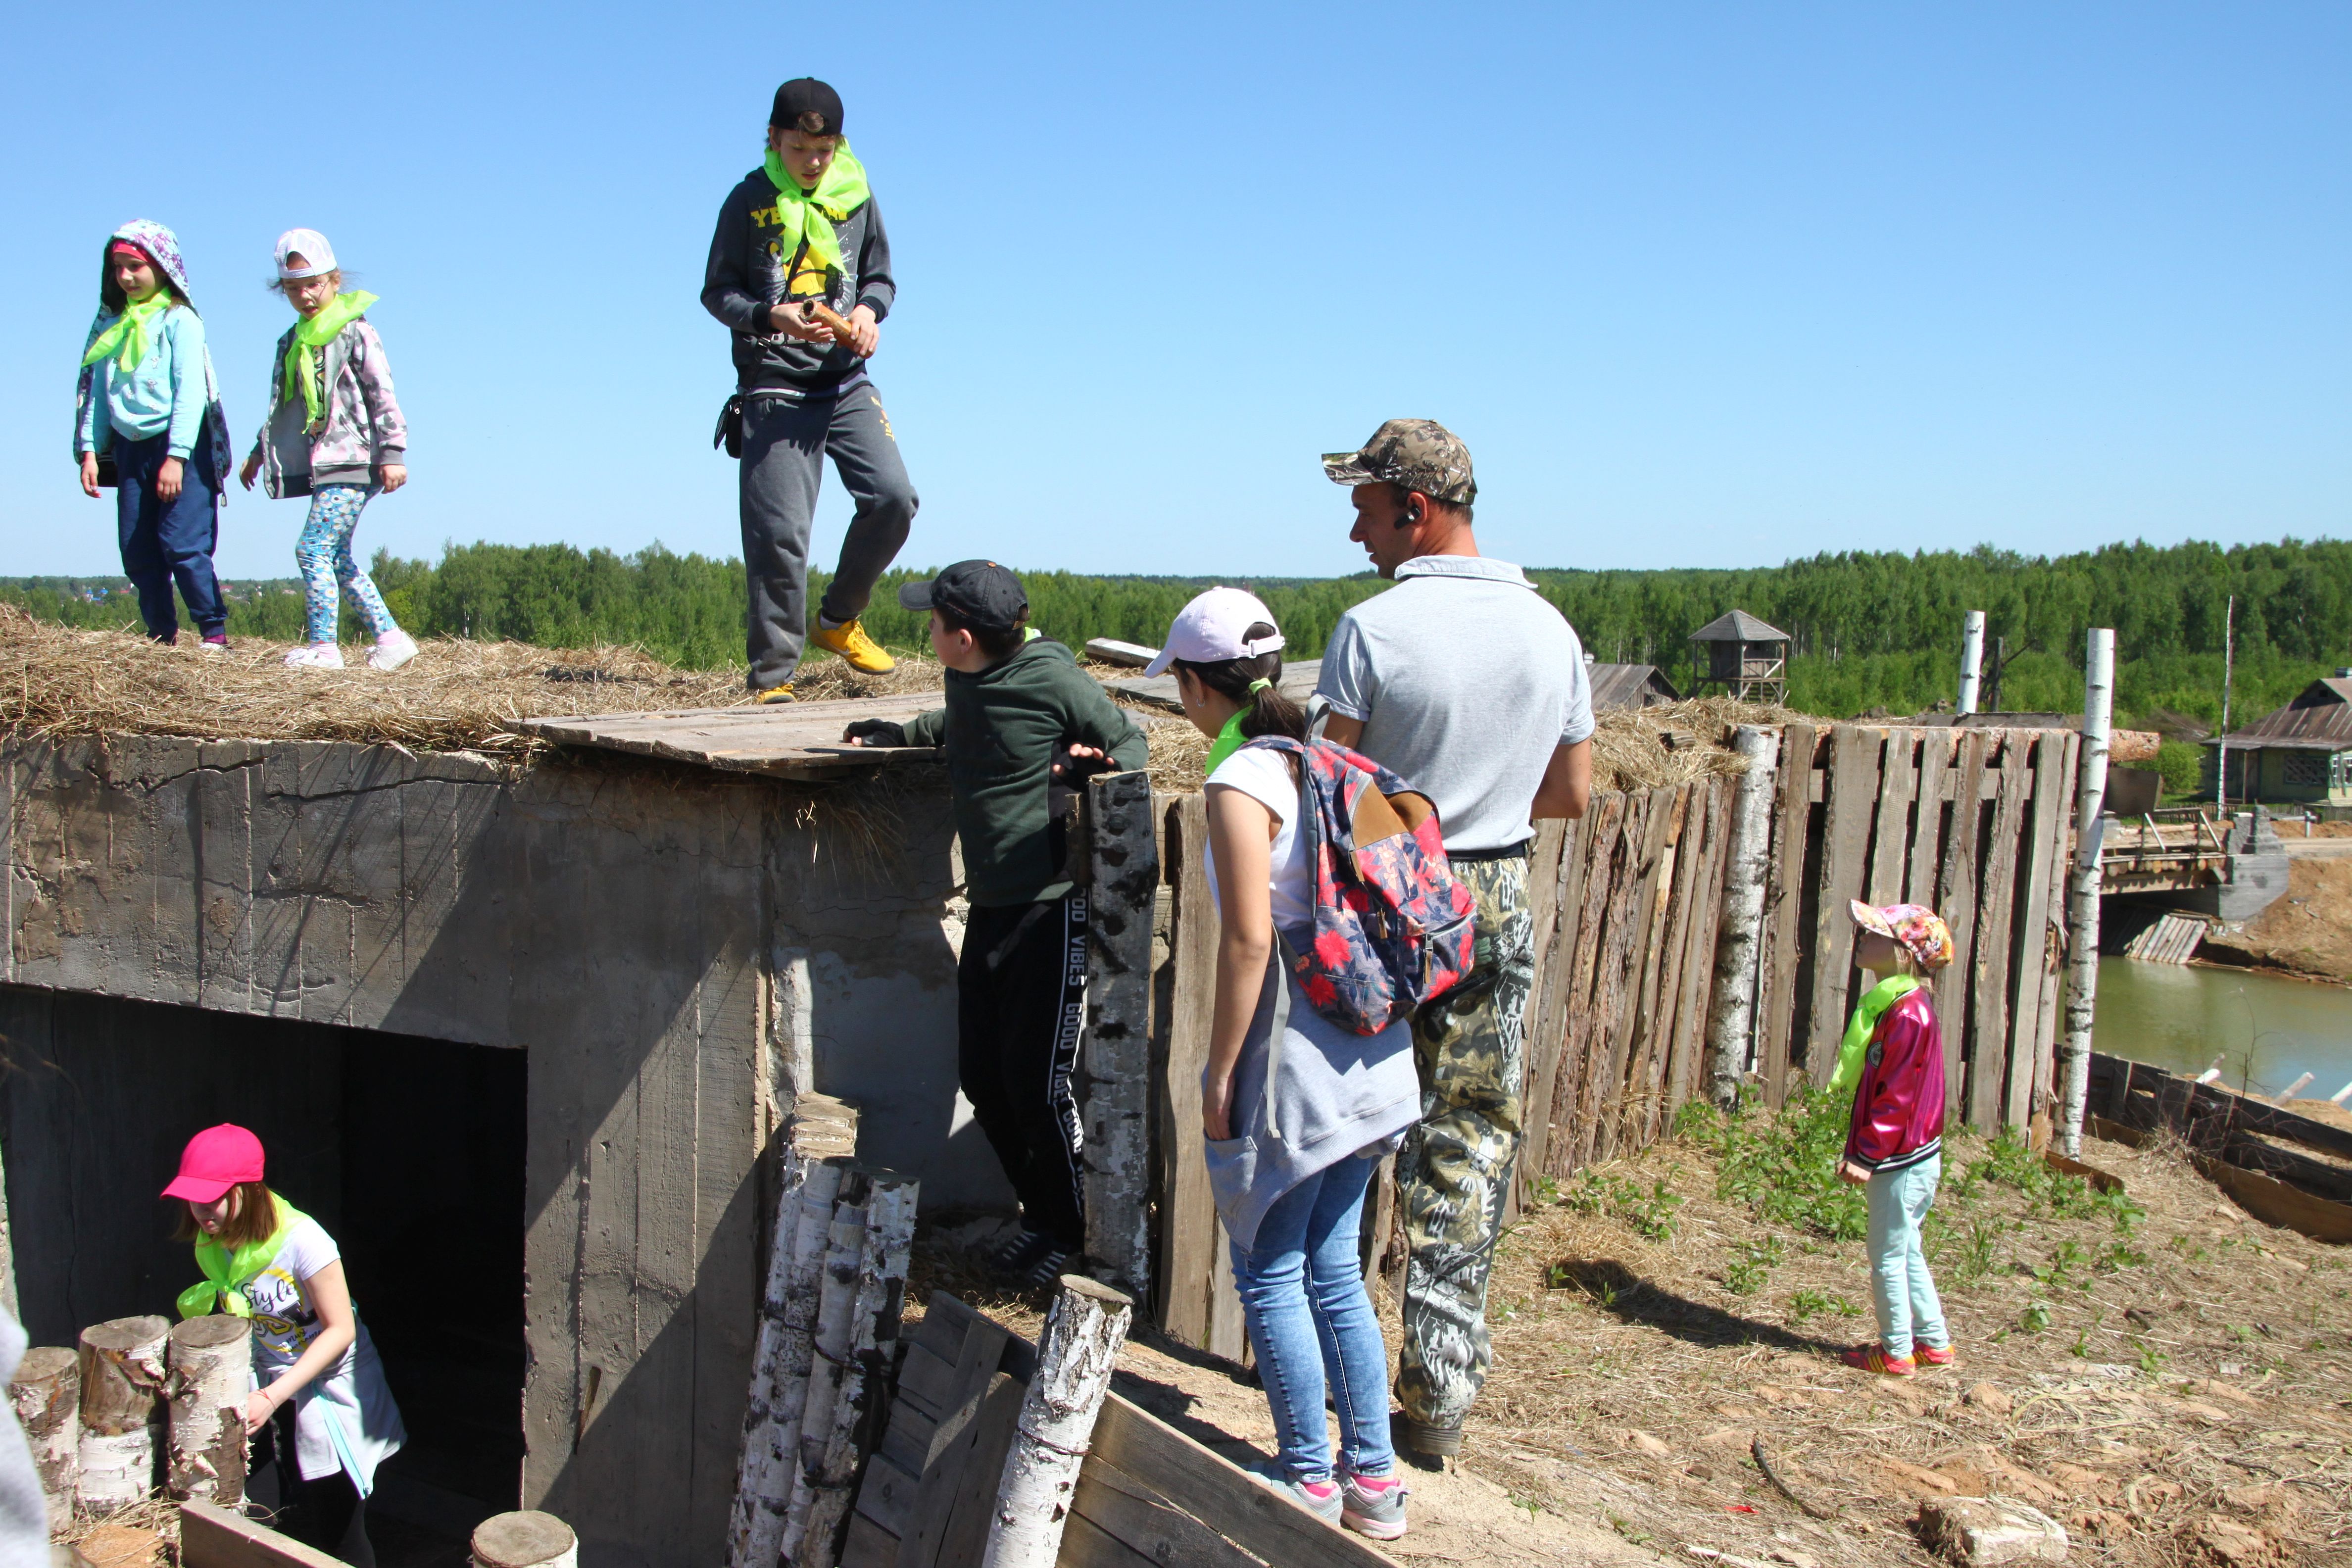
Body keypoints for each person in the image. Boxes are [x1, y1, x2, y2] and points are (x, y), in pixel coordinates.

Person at [1313, 418, 1593, 1464]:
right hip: (1497, 896)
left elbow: (1323, 790)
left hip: (1389, 900)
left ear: (1414, 510)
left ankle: (1329, 1377)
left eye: (1365, 507)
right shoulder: (1551, 632)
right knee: (1466, 1142)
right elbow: (1569, 791)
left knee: (1351, 1129)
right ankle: (1437, 1399)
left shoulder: (1373, 630)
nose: (1356, 530)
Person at [1158, 587, 1417, 1538]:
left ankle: (1308, 1475)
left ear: (1194, 685)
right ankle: (1374, 1484)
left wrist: (1222, 1071)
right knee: (1336, 1269)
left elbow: (1246, 943)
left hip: (1295, 1076)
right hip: (1375, 1056)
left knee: (1269, 1268)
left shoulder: (1239, 784)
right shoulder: (1339, 765)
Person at [840, 563, 1145, 1282]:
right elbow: (971, 721)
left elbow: (1130, 745)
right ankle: (1041, 1217)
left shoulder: (1049, 676)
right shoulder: (970, 675)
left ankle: (1074, 1236)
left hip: (1047, 904)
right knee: (983, 1076)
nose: (929, 630)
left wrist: (1086, 770)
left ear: (964, 636)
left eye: (935, 621)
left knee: (1036, 1085)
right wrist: (904, 732)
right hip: (992, 905)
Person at [704, 77, 917, 702]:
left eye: (823, 152)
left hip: (846, 381)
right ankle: (774, 677)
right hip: (774, 383)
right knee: (781, 536)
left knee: (894, 499)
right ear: (774, 138)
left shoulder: (857, 196)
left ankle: (838, 619)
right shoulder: (747, 201)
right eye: (800, 150)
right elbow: (717, 293)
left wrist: (868, 315)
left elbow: (880, 278)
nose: (813, 163)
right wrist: (772, 316)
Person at [165, 1125, 405, 1564]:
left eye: (211, 1196)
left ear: (248, 1190)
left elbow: (340, 1330)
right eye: (192, 1196)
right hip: (265, 1386)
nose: (200, 1209)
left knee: (339, 1532)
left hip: (327, 1388)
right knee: (251, 1512)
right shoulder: (214, 1240)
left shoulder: (305, 1241)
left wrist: (273, 1398)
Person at [239, 230, 416, 673]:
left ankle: (324, 649)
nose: (305, 296)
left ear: (335, 280)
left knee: (311, 549)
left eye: (313, 284)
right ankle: (391, 639)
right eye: (293, 289)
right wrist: (260, 450)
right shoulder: (294, 342)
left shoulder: (355, 330)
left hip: (355, 456)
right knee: (335, 555)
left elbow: (382, 392)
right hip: (324, 460)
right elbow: (286, 407)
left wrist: (393, 452)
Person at [73, 221, 236, 649]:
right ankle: (161, 636)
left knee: (182, 545)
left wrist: (177, 457)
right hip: (130, 449)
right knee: (138, 549)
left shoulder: (180, 321)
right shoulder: (114, 325)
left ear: (162, 268)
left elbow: (191, 392)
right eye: (118, 268)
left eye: (135, 266)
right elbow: (99, 395)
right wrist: (90, 451)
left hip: (178, 446)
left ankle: (213, 635)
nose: (125, 277)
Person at [1833, 901, 1958, 1376]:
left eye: (1874, 933)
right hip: (1910, 1154)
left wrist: (1867, 1153)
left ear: (1905, 954)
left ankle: (1895, 1351)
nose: (1862, 938)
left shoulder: (1907, 1014)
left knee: (1886, 1255)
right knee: (1907, 1249)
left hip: (1901, 1158)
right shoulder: (1898, 1005)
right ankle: (1933, 1342)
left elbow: (1898, 1095)